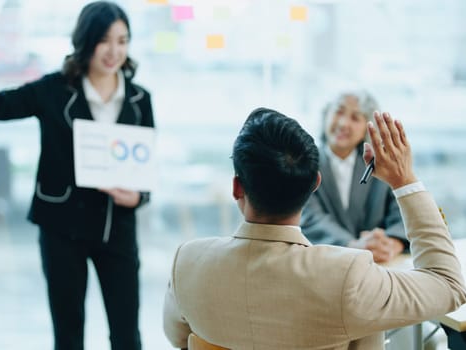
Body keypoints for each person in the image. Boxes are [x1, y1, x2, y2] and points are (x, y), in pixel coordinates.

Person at [163, 107, 466, 349]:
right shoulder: (347, 277)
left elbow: (178, 338)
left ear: (237, 187)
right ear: (314, 185)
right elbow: (449, 284)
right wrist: (405, 180)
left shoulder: (187, 262)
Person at [0, 1, 154, 349]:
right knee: (68, 335)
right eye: (105, 40)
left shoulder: (139, 99)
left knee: (126, 335)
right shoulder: (53, 90)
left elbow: (145, 168)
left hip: (116, 228)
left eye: (122, 40)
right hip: (62, 228)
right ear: (86, 41)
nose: (114, 51)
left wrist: (139, 197)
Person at [301, 91, 407, 263]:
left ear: (368, 127)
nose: (343, 123)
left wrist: (392, 244)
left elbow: (402, 211)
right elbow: (310, 217)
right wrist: (352, 246)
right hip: (325, 264)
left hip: (379, 266)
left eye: (355, 118)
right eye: (339, 112)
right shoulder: (305, 163)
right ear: (326, 115)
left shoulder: (380, 164)